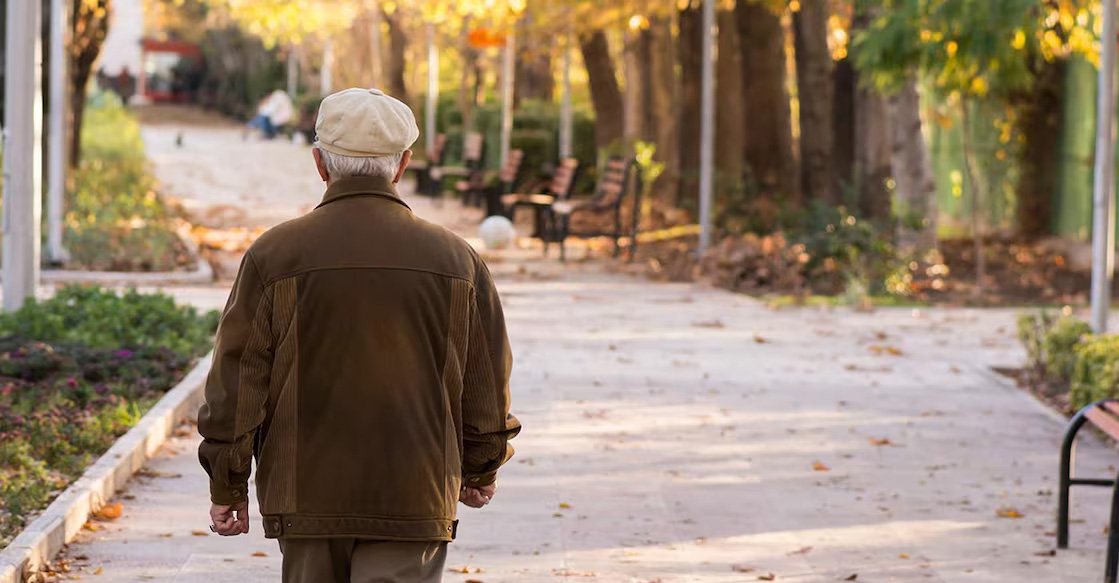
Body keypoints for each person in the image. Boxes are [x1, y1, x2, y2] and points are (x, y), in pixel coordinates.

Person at [198, 87, 521, 582]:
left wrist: (228, 482)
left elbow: (239, 380)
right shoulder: (456, 260)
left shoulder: (275, 255)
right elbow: (485, 377)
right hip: (415, 493)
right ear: (403, 164)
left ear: (320, 164)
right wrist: (481, 466)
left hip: (306, 495)